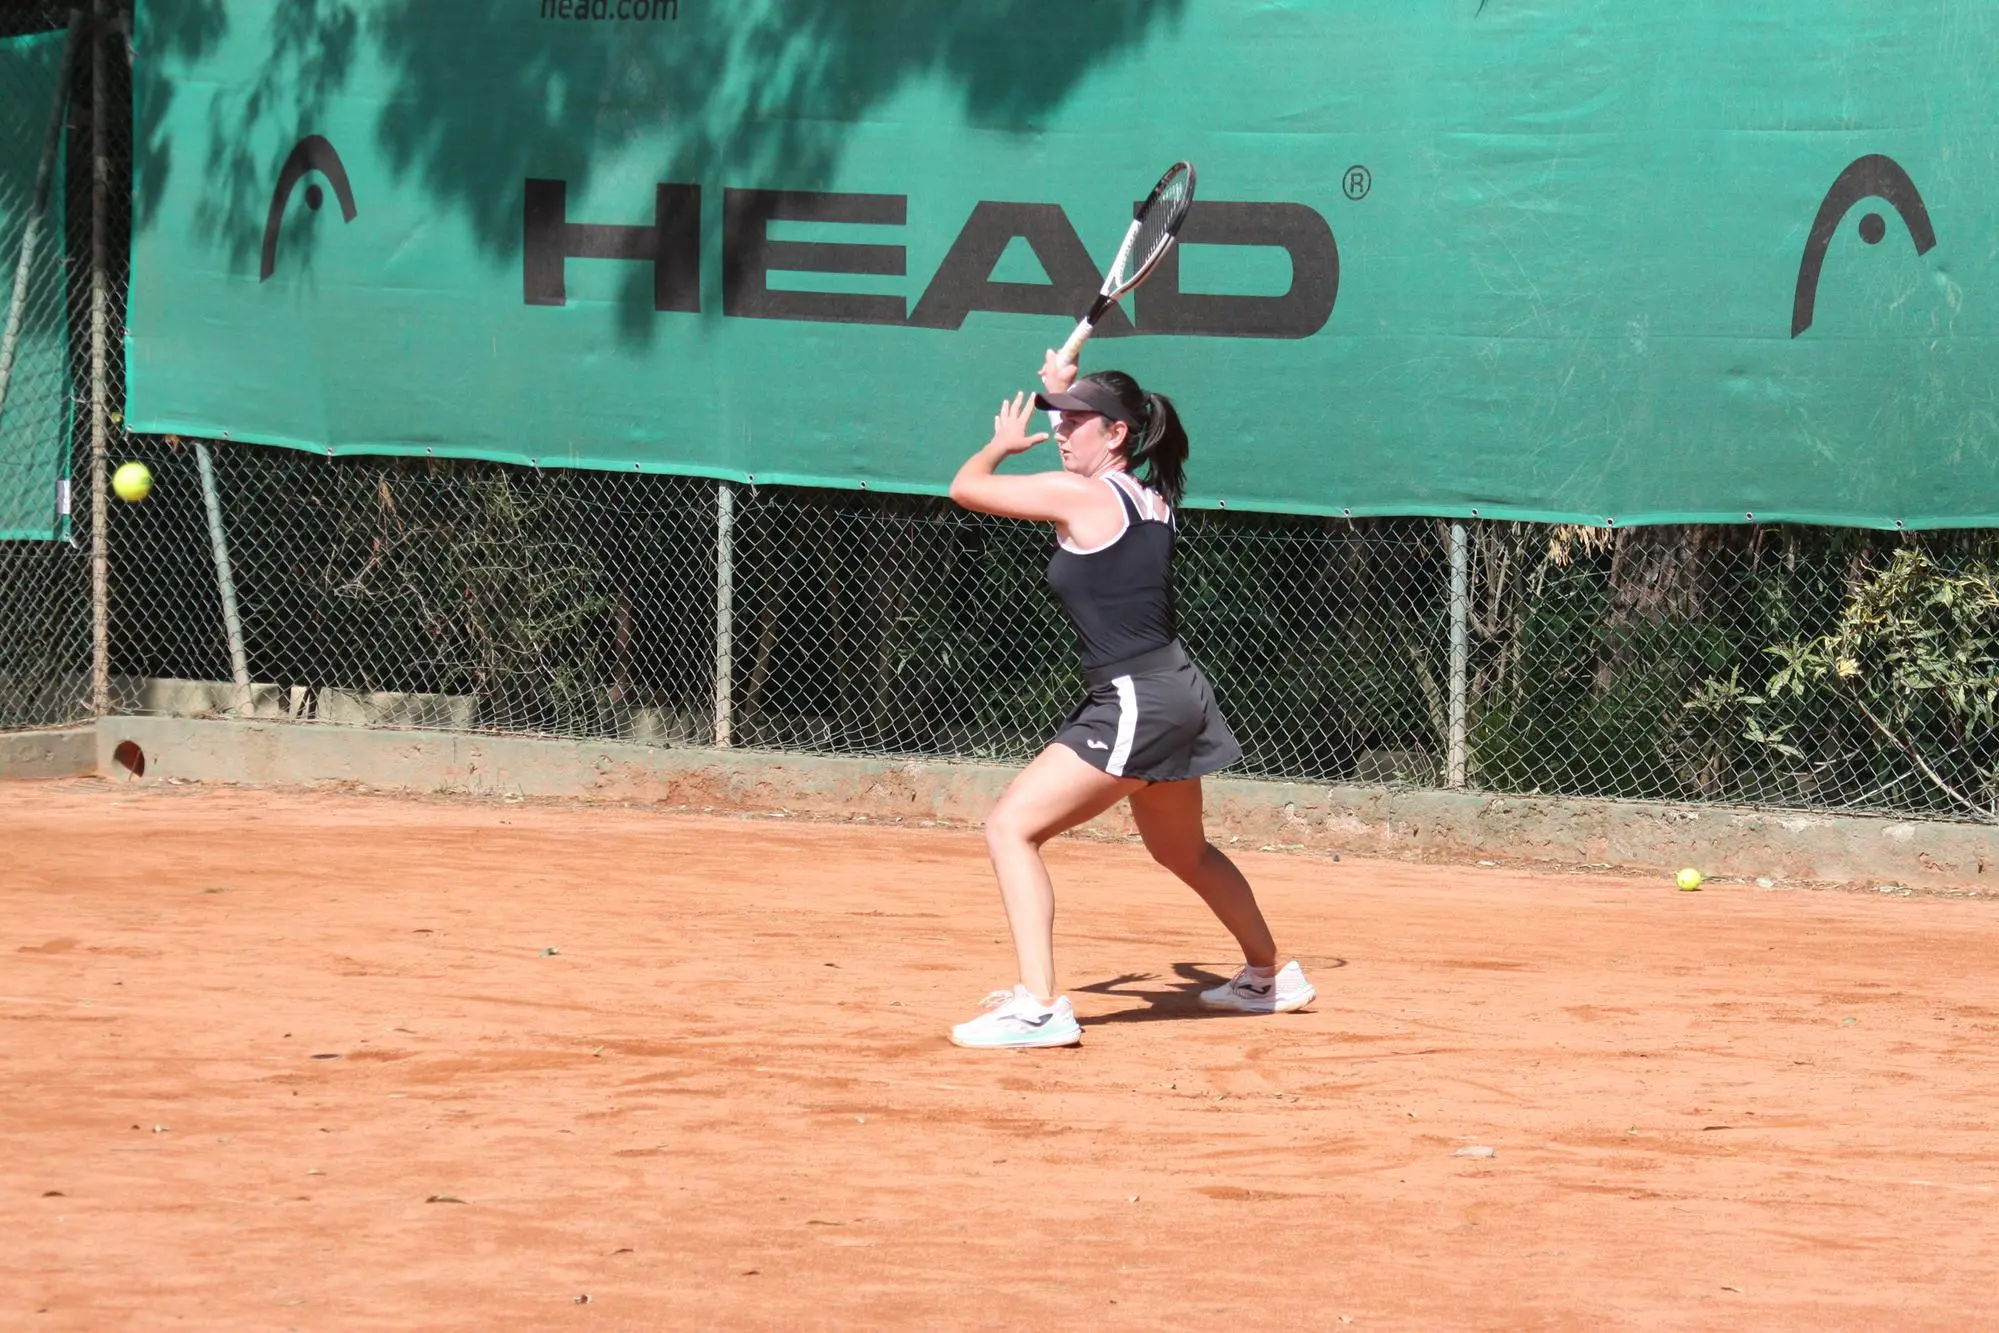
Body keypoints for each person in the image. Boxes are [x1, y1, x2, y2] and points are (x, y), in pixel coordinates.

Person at [943, 349, 1315, 1050]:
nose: (1061, 429)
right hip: (1176, 690)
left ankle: (1038, 1007)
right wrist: (1062, 393)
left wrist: (998, 444)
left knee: (1009, 828)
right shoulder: (1152, 500)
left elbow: (966, 487)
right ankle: (1269, 975)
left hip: (1134, 697)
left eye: (1077, 421)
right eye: (1062, 420)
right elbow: (1091, 451)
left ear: (1115, 433)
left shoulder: (1078, 495)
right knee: (1185, 853)